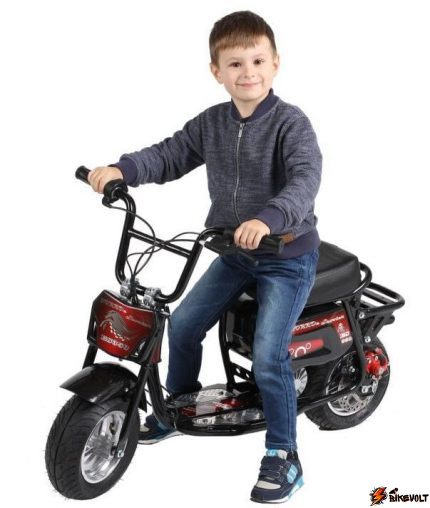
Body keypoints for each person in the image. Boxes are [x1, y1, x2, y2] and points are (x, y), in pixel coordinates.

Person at [88, 10, 322, 504]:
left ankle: (285, 454)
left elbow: (305, 179)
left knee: (268, 355)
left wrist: (270, 218)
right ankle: (175, 408)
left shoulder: (291, 123)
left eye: (257, 60)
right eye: (234, 64)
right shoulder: (213, 123)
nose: (247, 72)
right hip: (235, 252)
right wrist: (122, 169)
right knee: (182, 324)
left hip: (285, 255)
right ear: (217, 71)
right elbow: (169, 154)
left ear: (275, 63)